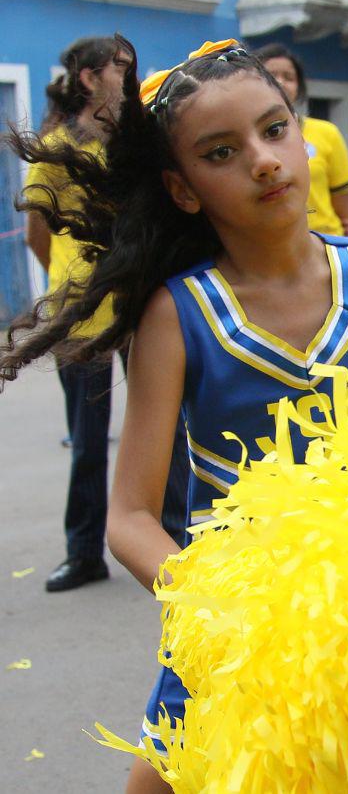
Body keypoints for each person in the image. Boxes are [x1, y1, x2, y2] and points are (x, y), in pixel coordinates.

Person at [2, 37, 348, 793]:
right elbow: (131, 517)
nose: (264, 160)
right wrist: (216, 607)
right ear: (184, 190)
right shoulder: (178, 316)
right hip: (239, 637)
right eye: (222, 152)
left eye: (275, 130)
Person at [17, 36, 188, 592]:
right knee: (88, 443)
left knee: (170, 439)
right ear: (89, 79)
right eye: (120, 68)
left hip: (146, 307)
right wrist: (75, 284)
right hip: (82, 317)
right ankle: (83, 551)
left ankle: (180, 547)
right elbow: (37, 236)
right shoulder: (55, 149)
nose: (129, 75)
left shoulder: (137, 141)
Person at [254, 44, 348, 237]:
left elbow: (345, 207)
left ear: (299, 85)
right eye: (271, 75)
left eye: (289, 77)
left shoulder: (327, 132)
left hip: (326, 243)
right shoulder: (250, 138)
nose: (281, 82)